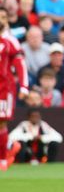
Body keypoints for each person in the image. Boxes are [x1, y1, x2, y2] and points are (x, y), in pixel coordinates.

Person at [1, 18, 29, 170]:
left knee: (1, 122)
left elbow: (20, 63)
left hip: (3, 88)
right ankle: (10, 146)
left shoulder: (10, 41)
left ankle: (3, 158)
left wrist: (24, 87)